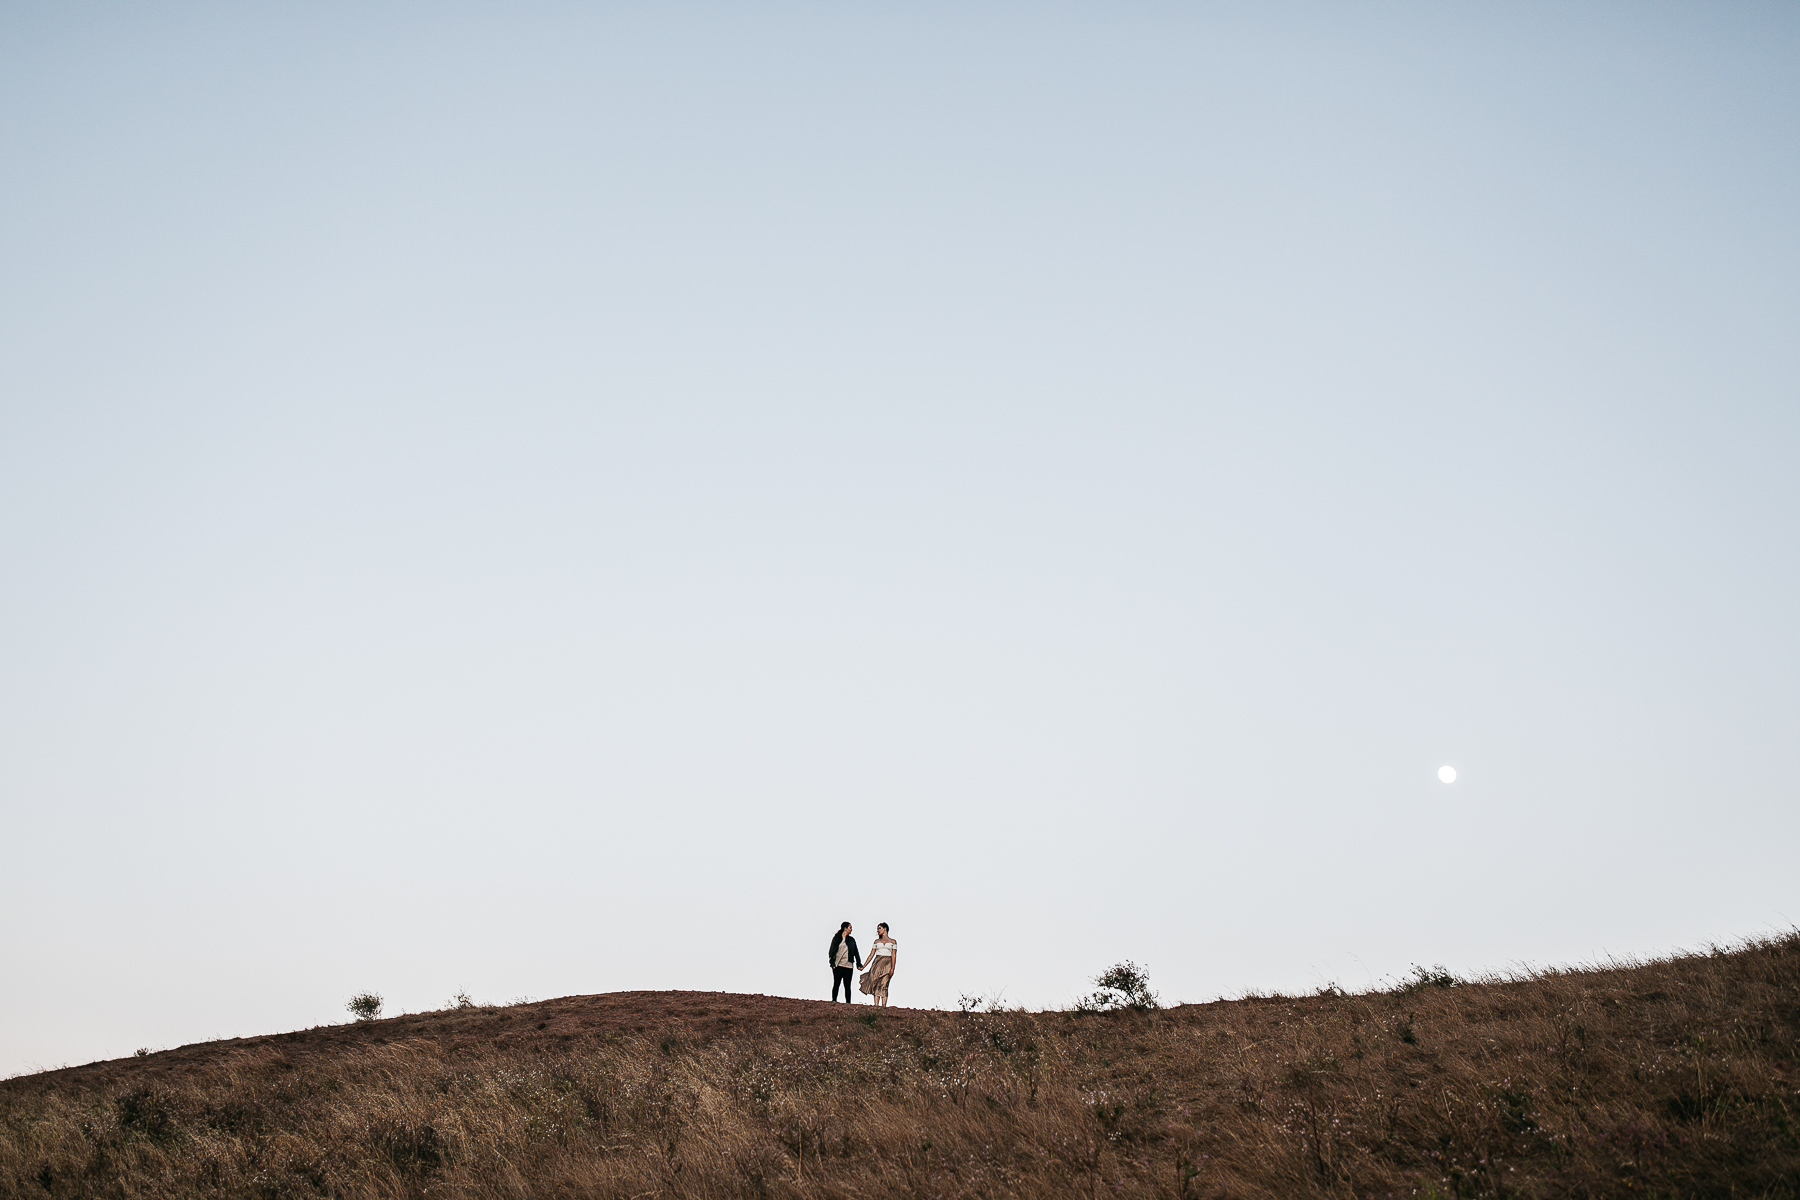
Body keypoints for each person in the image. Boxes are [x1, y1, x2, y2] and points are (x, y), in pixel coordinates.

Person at [860, 922, 898, 1007]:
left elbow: (894, 955)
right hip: (877, 962)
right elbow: (871, 954)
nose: (878, 930)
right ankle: (876, 1005)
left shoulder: (893, 942)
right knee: (876, 983)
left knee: (884, 983)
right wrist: (863, 966)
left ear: (885, 929)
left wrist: (892, 968)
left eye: (879, 928)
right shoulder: (877, 941)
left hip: (887, 962)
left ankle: (884, 1005)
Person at [828, 921, 862, 1002]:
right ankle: (834, 1001)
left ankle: (848, 1003)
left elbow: (856, 952)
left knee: (847, 986)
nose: (851, 930)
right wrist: (832, 963)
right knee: (836, 984)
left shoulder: (851, 940)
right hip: (838, 965)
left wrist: (858, 963)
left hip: (848, 965)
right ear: (845, 928)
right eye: (850, 928)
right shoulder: (837, 938)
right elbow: (831, 951)